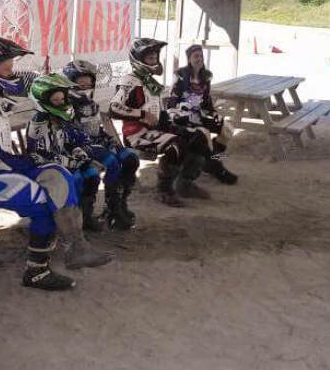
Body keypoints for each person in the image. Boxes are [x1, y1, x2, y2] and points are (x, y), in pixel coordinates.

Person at [0, 37, 110, 292]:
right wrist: (29, 167)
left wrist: (35, 166)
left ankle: (76, 247)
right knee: (42, 201)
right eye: (6, 64)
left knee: (58, 173)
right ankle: (36, 271)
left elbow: (1, 156)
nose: (11, 68)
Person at [110, 37, 211, 206]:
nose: (155, 61)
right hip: (137, 134)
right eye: (150, 58)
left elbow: (158, 110)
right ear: (138, 59)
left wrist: (176, 119)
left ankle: (184, 182)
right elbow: (114, 108)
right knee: (176, 145)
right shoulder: (130, 81)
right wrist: (141, 114)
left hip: (156, 129)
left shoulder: (149, 81)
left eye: (155, 57)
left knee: (199, 136)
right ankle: (164, 190)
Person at [63, 59, 140, 230]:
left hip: (97, 143)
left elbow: (95, 128)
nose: (85, 83)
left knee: (130, 158)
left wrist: (110, 140)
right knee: (111, 162)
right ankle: (89, 215)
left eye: (88, 80)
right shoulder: (66, 107)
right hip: (80, 148)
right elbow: (71, 137)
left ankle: (117, 206)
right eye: (79, 80)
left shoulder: (92, 103)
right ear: (69, 81)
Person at [25, 73, 107, 231]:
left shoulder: (60, 117)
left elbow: (72, 139)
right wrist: (72, 161)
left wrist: (78, 152)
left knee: (92, 175)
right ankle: (66, 224)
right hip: (47, 168)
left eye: (62, 99)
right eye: (56, 100)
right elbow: (42, 155)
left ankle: (85, 217)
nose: (61, 103)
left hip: (64, 161)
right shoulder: (39, 123)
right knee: (74, 179)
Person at [168, 43, 238, 185]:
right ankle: (218, 168)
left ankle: (212, 161)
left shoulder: (205, 77)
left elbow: (206, 101)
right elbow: (172, 101)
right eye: (196, 56)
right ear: (189, 59)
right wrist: (181, 114)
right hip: (183, 116)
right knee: (204, 134)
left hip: (200, 114)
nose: (199, 59)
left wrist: (214, 113)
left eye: (201, 56)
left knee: (228, 130)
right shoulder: (180, 76)